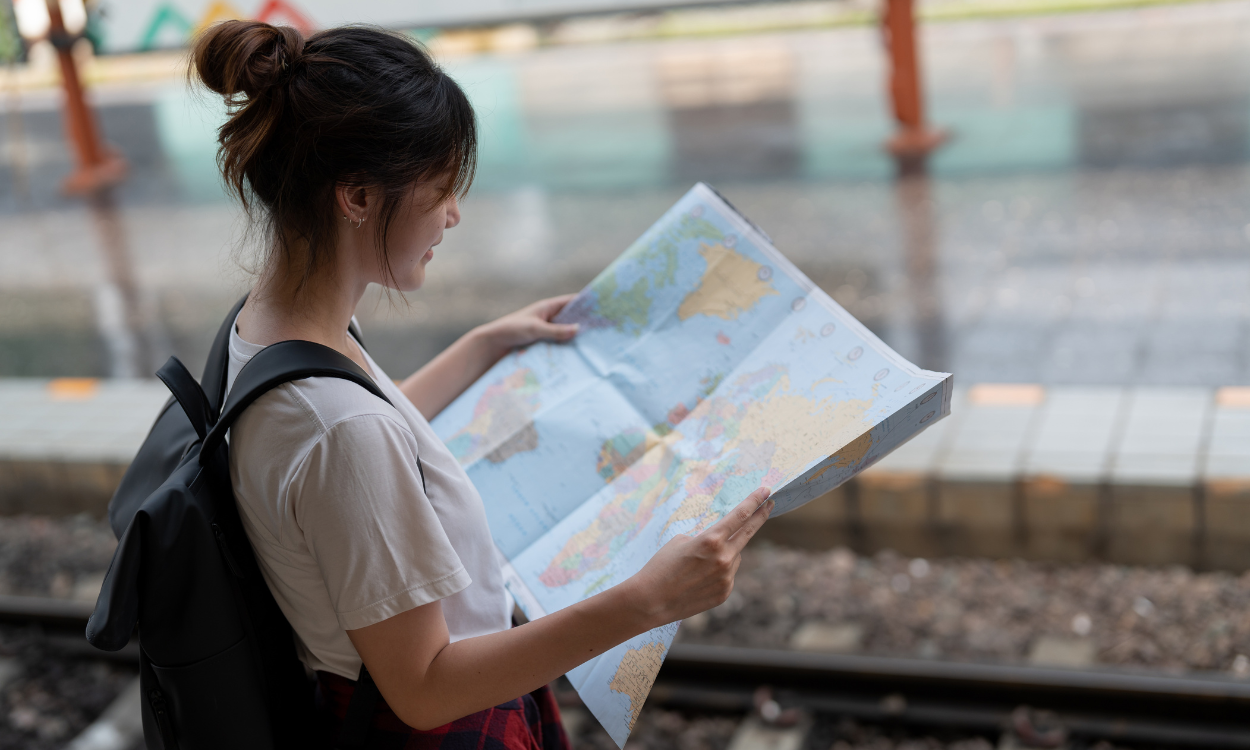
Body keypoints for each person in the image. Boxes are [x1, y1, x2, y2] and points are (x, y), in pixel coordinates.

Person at [191, 19, 773, 747]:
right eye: (440, 190)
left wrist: (483, 345)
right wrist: (646, 601)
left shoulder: (270, 328)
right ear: (358, 198)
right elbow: (425, 688)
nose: (454, 215)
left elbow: (364, 433)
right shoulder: (340, 429)